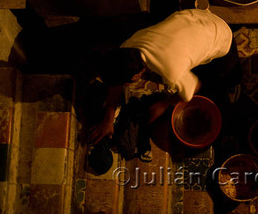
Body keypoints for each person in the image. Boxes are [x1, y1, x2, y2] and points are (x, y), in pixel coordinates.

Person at [89, 8, 240, 145]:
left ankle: (234, 80)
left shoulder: (172, 72)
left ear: (137, 76)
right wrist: (108, 121)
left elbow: (192, 89)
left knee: (226, 75)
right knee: (189, 60)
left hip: (222, 37)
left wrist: (165, 103)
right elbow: (116, 81)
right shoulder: (129, 46)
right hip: (196, 17)